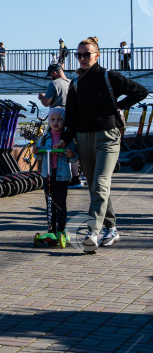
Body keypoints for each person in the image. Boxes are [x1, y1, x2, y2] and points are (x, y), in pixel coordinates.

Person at [58, 37, 148, 252]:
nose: (82, 58)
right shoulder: (76, 83)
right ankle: (112, 228)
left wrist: (118, 106)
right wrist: (67, 138)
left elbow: (140, 91)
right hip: (83, 137)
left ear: (97, 55)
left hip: (108, 137)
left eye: (86, 54)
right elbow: (72, 114)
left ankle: (93, 233)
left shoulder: (109, 76)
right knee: (95, 187)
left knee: (100, 183)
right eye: (78, 55)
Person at [34, 107, 78, 246]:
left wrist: (71, 154)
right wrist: (35, 151)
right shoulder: (44, 138)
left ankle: (61, 230)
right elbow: (38, 155)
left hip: (62, 175)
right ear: (48, 121)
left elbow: (74, 157)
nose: (56, 122)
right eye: (52, 119)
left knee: (60, 203)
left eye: (59, 120)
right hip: (47, 174)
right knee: (49, 203)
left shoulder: (68, 139)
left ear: (64, 121)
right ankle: (50, 229)